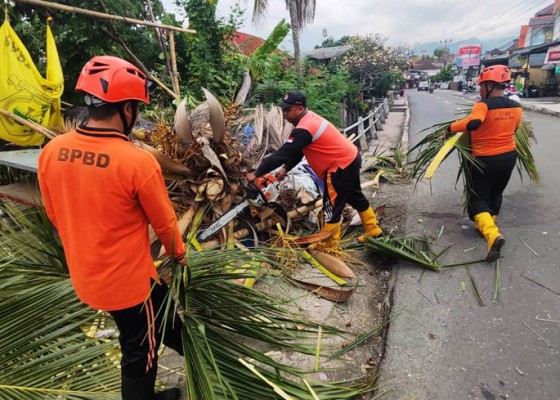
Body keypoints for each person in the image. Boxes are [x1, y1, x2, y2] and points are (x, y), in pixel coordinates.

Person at [38, 56, 186, 400]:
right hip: (131, 287)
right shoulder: (136, 161)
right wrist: (179, 255)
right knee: (140, 350)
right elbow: (164, 223)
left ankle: (185, 341)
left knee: (157, 316)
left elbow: (55, 214)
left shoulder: (51, 151)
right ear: (129, 109)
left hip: (87, 277)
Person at [245, 91, 382, 245]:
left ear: (300, 108)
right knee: (354, 196)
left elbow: (281, 155)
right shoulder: (308, 120)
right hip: (350, 158)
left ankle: (329, 245)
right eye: (283, 110)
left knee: (331, 208)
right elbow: (298, 151)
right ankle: (373, 229)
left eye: (288, 110)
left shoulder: (305, 128)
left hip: (339, 166)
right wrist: (285, 169)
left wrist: (256, 173)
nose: (284, 114)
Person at [446, 65, 522, 262]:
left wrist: (452, 127)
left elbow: (473, 124)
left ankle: (492, 234)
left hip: (486, 159)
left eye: (481, 86)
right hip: (509, 156)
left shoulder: (483, 105)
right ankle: (488, 224)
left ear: (489, 85)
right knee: (495, 193)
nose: (479, 90)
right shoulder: (516, 106)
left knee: (477, 198)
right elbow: (514, 129)